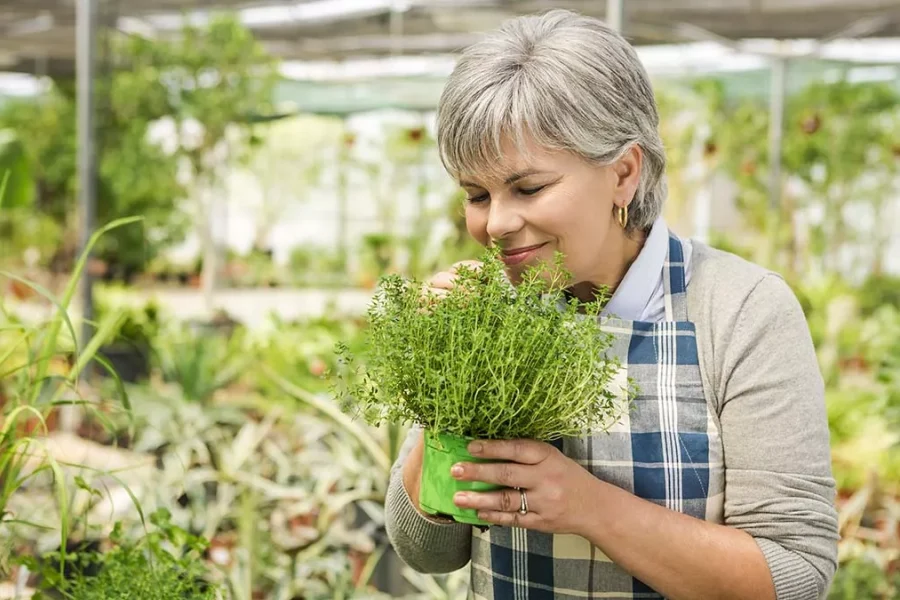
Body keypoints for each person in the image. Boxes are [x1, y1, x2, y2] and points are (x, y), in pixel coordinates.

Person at [384, 9, 839, 600]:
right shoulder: (486, 313)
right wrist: (442, 384)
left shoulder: (742, 309)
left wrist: (588, 507)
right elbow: (426, 549)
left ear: (624, 173)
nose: (495, 223)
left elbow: (798, 576)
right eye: (477, 194)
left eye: (528, 188)